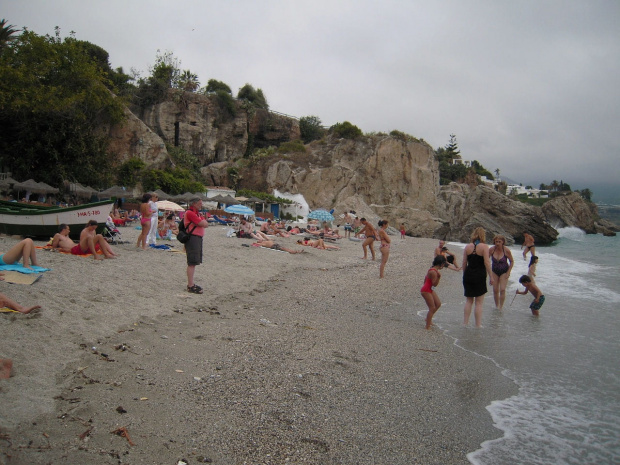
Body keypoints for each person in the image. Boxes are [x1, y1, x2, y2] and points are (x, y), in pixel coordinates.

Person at [462, 227, 493, 327]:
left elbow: (464, 262)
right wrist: (491, 276)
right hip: (479, 275)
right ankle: (478, 325)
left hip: (468, 274)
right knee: (479, 302)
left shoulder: (467, 247)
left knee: (469, 300)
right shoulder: (484, 247)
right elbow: (487, 263)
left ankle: (465, 323)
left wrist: (464, 274)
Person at [184, 197, 209, 294]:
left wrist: (202, 219)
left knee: (194, 261)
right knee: (192, 262)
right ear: (194, 204)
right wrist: (202, 220)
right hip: (193, 238)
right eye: (199, 203)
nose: (201, 205)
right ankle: (190, 285)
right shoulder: (190, 213)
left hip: (197, 238)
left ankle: (191, 284)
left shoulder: (196, 213)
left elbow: (205, 223)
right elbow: (202, 223)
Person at [421, 255, 447, 329]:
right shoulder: (433, 272)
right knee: (432, 308)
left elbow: (425, 280)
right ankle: (427, 326)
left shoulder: (432, 269)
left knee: (438, 304)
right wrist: (438, 278)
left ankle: (428, 319)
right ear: (441, 264)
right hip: (426, 290)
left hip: (429, 289)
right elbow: (434, 284)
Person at [489, 234, 514, 310]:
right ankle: (497, 305)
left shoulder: (506, 250)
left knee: (502, 289)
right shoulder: (491, 250)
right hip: (494, 271)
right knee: (495, 290)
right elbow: (486, 261)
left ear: (503, 242)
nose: (497, 243)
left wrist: (508, 272)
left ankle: (501, 306)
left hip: (504, 271)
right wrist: (489, 273)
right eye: (496, 242)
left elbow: (512, 261)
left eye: (499, 242)